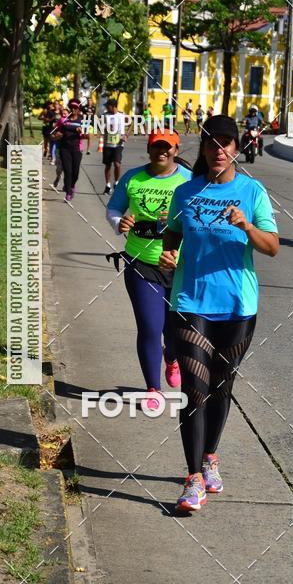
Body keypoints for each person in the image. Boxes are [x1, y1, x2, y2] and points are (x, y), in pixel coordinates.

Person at [159, 116, 279, 512]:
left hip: (238, 307)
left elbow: (273, 247)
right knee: (194, 390)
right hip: (191, 303)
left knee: (220, 387)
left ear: (237, 148)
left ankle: (210, 455)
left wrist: (246, 225)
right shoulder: (185, 193)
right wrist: (168, 255)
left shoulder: (253, 192)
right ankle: (192, 478)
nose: (218, 150)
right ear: (204, 148)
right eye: (211, 143)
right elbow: (172, 238)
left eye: (226, 143)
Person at [107, 129, 191, 409]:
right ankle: (153, 388)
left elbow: (200, 220)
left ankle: (172, 357)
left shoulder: (189, 181)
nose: (162, 152)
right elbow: (114, 209)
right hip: (140, 262)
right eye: (157, 147)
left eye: (168, 147)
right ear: (150, 149)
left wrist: (178, 219)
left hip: (179, 265)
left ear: (177, 150)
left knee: (176, 330)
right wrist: (119, 223)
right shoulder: (132, 178)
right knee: (150, 327)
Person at [51, 99, 84, 201]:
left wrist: (81, 132)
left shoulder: (82, 120)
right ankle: (68, 192)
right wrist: (56, 136)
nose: (73, 109)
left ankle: (72, 185)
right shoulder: (63, 120)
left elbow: (88, 135)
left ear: (78, 109)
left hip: (77, 149)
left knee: (75, 172)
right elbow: (53, 134)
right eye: (71, 108)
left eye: (75, 108)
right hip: (65, 149)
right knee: (67, 171)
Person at [101, 98, 127, 194]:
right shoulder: (105, 116)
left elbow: (132, 123)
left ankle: (116, 182)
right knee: (108, 165)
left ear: (113, 106)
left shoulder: (122, 115)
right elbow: (99, 125)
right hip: (107, 144)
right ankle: (107, 185)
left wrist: (126, 135)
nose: (107, 108)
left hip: (118, 144)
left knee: (117, 164)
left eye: (108, 106)